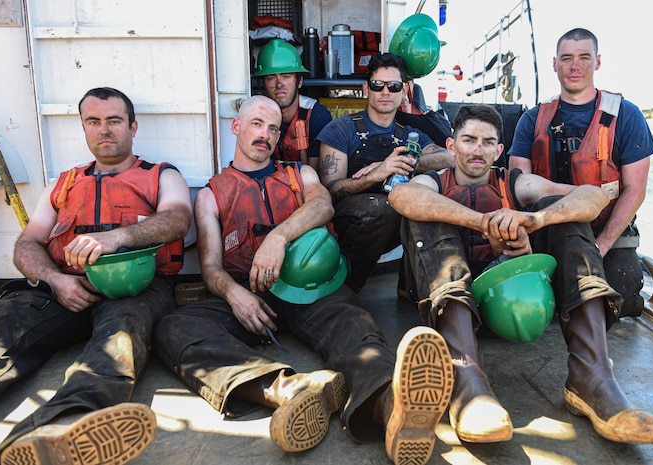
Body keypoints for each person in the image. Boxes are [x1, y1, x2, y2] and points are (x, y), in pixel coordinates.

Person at [152, 95, 454, 465]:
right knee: (174, 328)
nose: (266, 134)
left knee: (356, 328)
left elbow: (323, 205)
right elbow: (211, 267)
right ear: (237, 127)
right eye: (257, 125)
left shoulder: (301, 174)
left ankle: (390, 408)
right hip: (252, 293)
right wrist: (234, 295)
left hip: (313, 288)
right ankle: (290, 389)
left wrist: (277, 238)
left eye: (274, 128)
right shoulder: (212, 194)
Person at [389, 104, 653, 445]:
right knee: (425, 215)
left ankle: (592, 377)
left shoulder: (514, 183)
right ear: (451, 145)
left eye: (488, 142)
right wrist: (484, 222)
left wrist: (533, 221)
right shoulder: (430, 181)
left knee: (568, 218)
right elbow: (401, 196)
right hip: (448, 309)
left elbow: (592, 196)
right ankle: (466, 381)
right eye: (469, 140)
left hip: (505, 305)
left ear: (499, 150)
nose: (477, 150)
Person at [0, 87, 193, 464]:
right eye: (94, 121)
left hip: (137, 289)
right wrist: (56, 281)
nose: (105, 130)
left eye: (114, 121)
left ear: (133, 126)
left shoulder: (160, 175)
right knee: (6, 324)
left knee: (120, 337)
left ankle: (63, 428)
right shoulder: (63, 183)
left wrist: (117, 237)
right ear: (83, 128)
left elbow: (177, 219)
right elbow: (27, 244)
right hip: (66, 288)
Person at [508, 28, 653, 319]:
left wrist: (601, 246)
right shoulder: (532, 119)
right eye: (567, 58)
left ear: (597, 62)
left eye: (584, 57)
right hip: (550, 227)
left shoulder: (628, 115)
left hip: (607, 229)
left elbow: (635, 189)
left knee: (619, 299)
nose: (575, 66)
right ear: (555, 64)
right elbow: (518, 184)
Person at [317, 52, 453, 293]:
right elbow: (331, 189)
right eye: (378, 85)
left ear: (404, 90)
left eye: (394, 86)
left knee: (429, 204)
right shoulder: (340, 129)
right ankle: (344, 289)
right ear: (366, 89)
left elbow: (448, 157)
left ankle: (414, 289)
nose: (385, 92)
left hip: (393, 217)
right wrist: (377, 173)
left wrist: (404, 161)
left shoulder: (411, 135)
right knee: (386, 208)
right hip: (348, 221)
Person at [253, 39, 333, 171]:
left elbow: (316, 175)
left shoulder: (316, 115)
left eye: (286, 76)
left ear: (300, 81)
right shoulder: (256, 116)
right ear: (263, 85)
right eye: (271, 78)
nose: (279, 84)